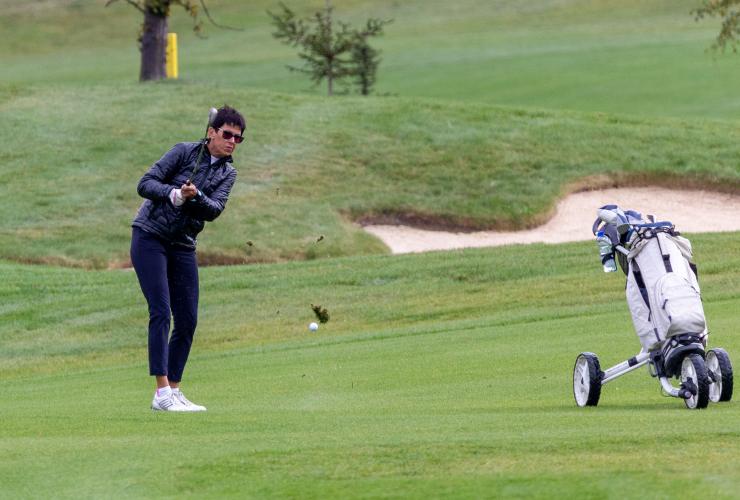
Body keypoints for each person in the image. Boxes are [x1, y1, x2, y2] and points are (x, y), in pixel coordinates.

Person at [130, 105, 245, 412]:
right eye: (227, 135)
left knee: (188, 320)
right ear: (211, 132)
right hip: (150, 236)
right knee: (160, 311)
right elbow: (145, 184)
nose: (232, 142)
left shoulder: (228, 173)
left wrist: (195, 197)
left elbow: (214, 210)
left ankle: (174, 389)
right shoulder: (183, 152)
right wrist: (173, 194)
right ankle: (161, 392)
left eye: (238, 138)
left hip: (183, 244)